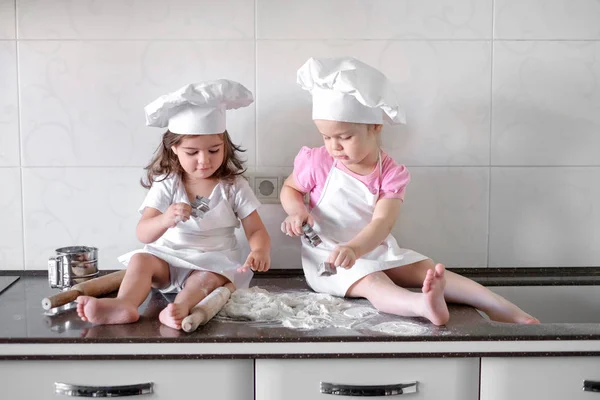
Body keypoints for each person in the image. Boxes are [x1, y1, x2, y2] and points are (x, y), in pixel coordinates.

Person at [280, 57, 538, 326]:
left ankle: (498, 305)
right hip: (327, 256)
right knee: (372, 281)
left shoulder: (390, 173)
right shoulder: (319, 162)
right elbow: (290, 188)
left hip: (371, 247)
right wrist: (297, 211)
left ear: (375, 127)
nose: (334, 146)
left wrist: (357, 249)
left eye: (345, 137)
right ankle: (421, 304)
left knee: (424, 268)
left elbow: (382, 221)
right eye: (326, 137)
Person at [77, 79, 271, 329]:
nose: (204, 161)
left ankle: (180, 307)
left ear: (225, 146)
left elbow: (255, 229)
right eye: (192, 152)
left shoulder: (233, 186)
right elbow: (143, 232)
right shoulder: (167, 183)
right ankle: (124, 304)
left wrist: (259, 251)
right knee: (140, 260)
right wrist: (165, 219)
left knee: (206, 279)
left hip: (213, 260)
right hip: (168, 259)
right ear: (174, 150)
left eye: (214, 150)